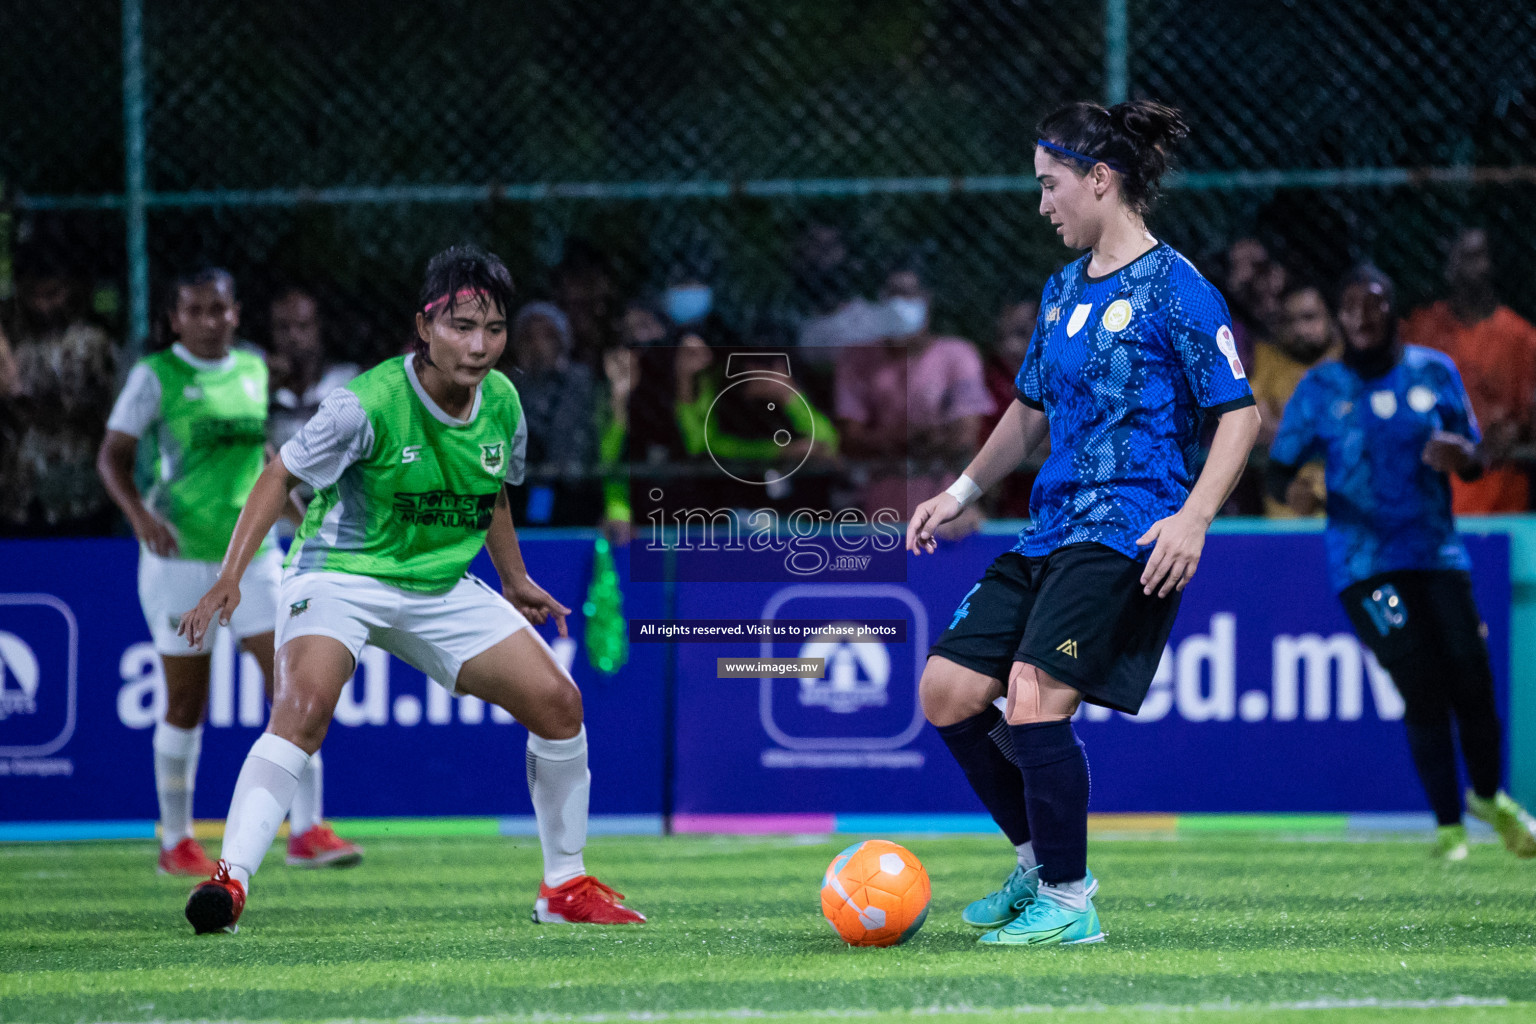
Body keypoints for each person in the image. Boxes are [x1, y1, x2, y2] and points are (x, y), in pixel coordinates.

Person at [176, 245, 644, 934]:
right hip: (342, 573)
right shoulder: (364, 403)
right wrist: (228, 576)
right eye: (461, 327)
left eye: (493, 328)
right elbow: (279, 475)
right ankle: (231, 882)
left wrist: (513, 579)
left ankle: (563, 887)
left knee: (559, 703)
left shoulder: (504, 402)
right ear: (425, 326)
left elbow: (492, 494)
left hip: (439, 583)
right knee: (302, 711)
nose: (479, 345)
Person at [905, 100, 1260, 947]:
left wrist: (1194, 519)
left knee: (1031, 700)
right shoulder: (1062, 288)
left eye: (1050, 184)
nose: (1042, 204)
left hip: (1125, 529)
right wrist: (960, 491)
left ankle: (1071, 901)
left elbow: (1239, 415)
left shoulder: (1178, 287)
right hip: (1050, 528)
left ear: (1101, 180)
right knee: (947, 692)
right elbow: (1030, 412)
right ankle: (1037, 863)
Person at [97, 268, 361, 877]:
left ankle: (307, 829)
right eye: (196, 310)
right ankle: (177, 840)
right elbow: (112, 457)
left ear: (236, 313)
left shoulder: (252, 369)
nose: (209, 320)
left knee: (296, 688)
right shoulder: (155, 376)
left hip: (256, 557)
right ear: (175, 319)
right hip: (180, 560)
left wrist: (298, 514)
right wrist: (139, 517)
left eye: (219, 309)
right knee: (186, 704)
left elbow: (264, 456)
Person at [1268, 265, 1536, 863]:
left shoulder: (1432, 373)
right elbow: (1279, 469)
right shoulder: (1322, 390)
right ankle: (1449, 829)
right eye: (1352, 308)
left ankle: (1491, 798)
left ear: (1393, 311)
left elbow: (1470, 460)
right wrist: (1298, 495)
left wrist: (1463, 454)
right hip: (1367, 570)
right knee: (1421, 681)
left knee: (1472, 676)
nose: (1362, 318)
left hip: (1438, 554)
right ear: (1341, 320)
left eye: (1375, 305)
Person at [835, 263, 995, 529]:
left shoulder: (957, 354)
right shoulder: (856, 359)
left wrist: (888, 441)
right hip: (879, 508)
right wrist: (908, 438)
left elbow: (965, 436)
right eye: (891, 295)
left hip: (947, 507)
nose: (898, 304)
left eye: (908, 294)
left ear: (927, 299)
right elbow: (849, 440)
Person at [1401, 228, 1536, 514]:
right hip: (1431, 482)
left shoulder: (1522, 338)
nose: (1467, 266)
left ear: (1493, 265)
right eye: (1458, 257)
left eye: (1476, 256)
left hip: (1499, 486)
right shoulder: (1422, 327)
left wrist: (1520, 430)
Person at [0, 245, 119, 535]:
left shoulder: (90, 342)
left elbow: (94, 414)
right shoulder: (10, 340)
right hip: (17, 494)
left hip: (78, 491)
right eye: (34, 296)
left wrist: (22, 400)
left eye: (52, 294)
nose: (43, 306)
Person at [1251, 281, 1341, 518]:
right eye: (1289, 321)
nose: (1299, 329)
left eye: (1309, 318)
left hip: (1343, 507)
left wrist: (1285, 425)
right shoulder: (1267, 361)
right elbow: (1253, 427)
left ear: (1332, 318)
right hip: (1284, 510)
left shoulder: (1350, 363)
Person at [265, 285, 360, 453]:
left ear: (318, 327)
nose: (293, 336)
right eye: (283, 327)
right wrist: (266, 388)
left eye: (302, 326)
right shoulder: (260, 388)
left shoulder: (347, 380)